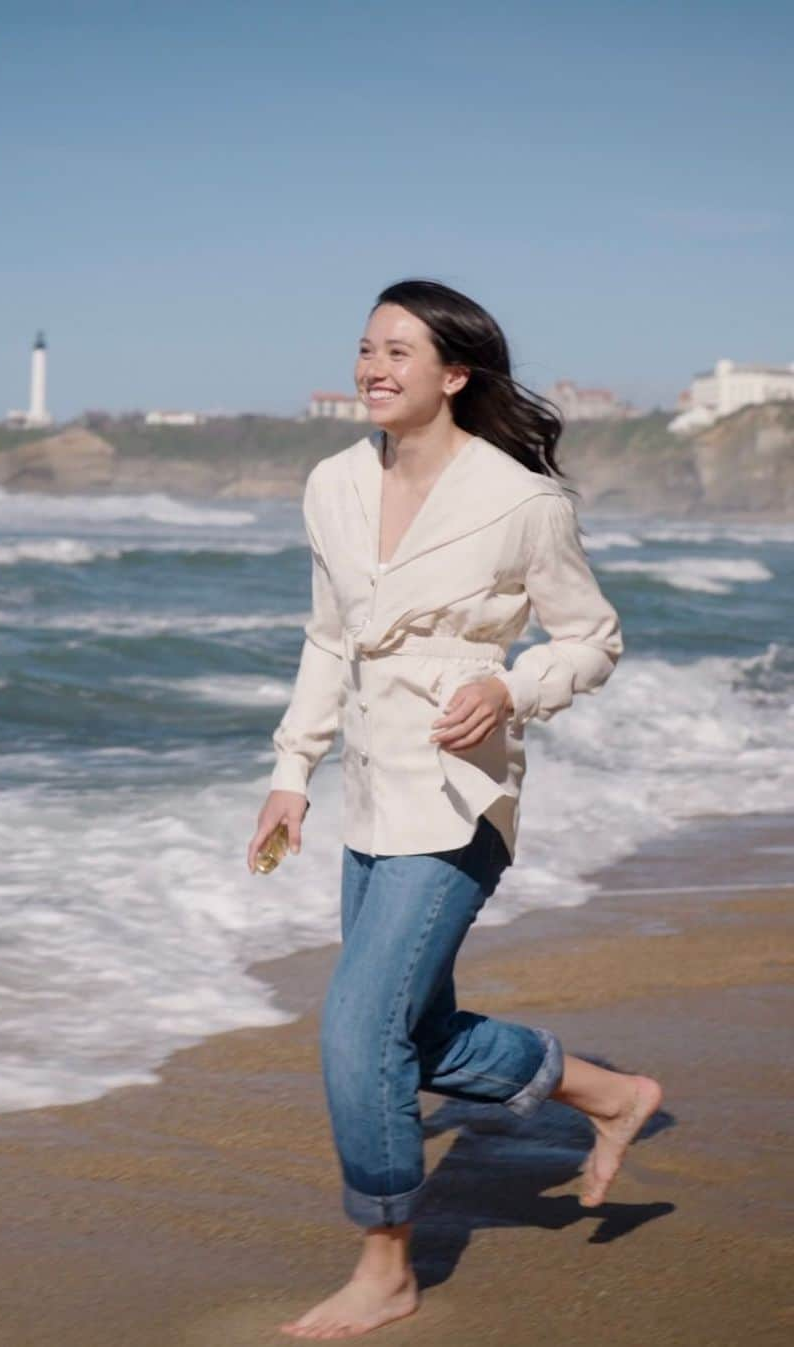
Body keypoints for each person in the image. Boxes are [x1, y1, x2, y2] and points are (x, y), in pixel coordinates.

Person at [246, 279, 663, 1339]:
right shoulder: (333, 483)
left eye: (398, 350)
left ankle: (385, 1264)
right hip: (369, 791)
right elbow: (330, 638)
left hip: (462, 796)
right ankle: (611, 1098)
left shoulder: (521, 500)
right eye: (364, 348)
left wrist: (508, 687)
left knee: (358, 1030)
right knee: (414, 1038)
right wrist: (292, 770)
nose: (373, 367)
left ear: (454, 372)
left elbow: (593, 639)